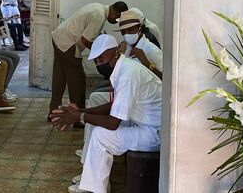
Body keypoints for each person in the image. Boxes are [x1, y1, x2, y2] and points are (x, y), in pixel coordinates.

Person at [50, 34, 162, 193]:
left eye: (101, 58)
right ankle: (90, 179)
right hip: (143, 123)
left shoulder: (128, 75)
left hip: (154, 133)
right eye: (96, 60)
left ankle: (95, 188)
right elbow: (113, 105)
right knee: (96, 126)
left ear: (116, 52)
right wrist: (81, 111)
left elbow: (113, 122)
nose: (99, 63)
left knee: (101, 135)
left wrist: (80, 117)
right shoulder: (123, 68)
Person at [49, 1, 128, 115]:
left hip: (58, 37)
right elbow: (85, 41)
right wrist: (101, 53)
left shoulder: (98, 7)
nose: (115, 22)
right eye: (117, 19)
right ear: (116, 14)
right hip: (68, 45)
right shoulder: (99, 17)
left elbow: (87, 34)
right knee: (78, 82)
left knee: (59, 78)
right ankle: (78, 116)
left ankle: (53, 112)